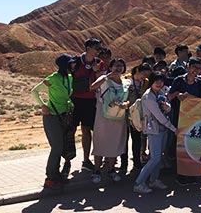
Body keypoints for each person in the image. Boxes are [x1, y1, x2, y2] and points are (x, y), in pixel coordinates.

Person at [31, 54, 77, 190]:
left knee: (62, 146)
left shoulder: (69, 77)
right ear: (65, 65)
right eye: (71, 63)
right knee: (57, 147)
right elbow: (35, 91)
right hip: (52, 116)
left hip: (64, 116)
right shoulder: (53, 78)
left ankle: (57, 175)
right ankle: (50, 178)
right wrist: (42, 105)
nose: (74, 65)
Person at [133, 72, 177, 194]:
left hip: (162, 129)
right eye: (156, 81)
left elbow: (168, 107)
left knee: (158, 157)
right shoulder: (148, 97)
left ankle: (154, 180)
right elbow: (159, 116)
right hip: (153, 130)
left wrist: (167, 107)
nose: (159, 83)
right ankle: (139, 183)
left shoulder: (160, 92)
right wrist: (174, 129)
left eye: (161, 81)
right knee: (154, 158)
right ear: (151, 82)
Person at [89, 58, 131, 184]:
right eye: (116, 66)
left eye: (121, 66)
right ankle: (96, 171)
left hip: (118, 117)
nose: (118, 68)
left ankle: (111, 170)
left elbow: (129, 99)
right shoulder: (104, 79)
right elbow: (92, 87)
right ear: (111, 68)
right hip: (103, 117)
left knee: (115, 143)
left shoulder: (126, 82)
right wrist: (107, 76)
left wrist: (126, 105)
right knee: (100, 142)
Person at [168, 57, 201, 185]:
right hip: (178, 117)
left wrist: (190, 97)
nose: (196, 70)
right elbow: (169, 96)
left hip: (193, 119)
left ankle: (191, 173)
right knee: (179, 146)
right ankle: (180, 174)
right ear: (188, 66)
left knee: (192, 146)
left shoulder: (199, 82)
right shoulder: (178, 80)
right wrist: (177, 94)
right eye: (194, 67)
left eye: (199, 68)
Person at [71, 37, 105, 172]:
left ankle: (86, 160)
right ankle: (67, 160)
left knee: (86, 130)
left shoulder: (99, 63)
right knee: (70, 131)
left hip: (90, 100)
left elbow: (100, 81)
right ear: (88, 48)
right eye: (97, 48)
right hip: (74, 99)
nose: (99, 51)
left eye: (100, 48)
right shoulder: (75, 61)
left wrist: (96, 71)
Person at [121, 64, 152, 173]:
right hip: (125, 113)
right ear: (137, 70)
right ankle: (123, 163)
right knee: (124, 139)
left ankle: (137, 162)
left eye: (147, 75)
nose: (145, 77)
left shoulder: (146, 83)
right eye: (144, 74)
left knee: (137, 138)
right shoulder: (125, 79)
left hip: (138, 114)